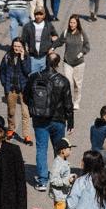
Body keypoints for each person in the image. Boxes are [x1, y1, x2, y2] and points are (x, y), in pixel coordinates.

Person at [26, 52, 74, 193]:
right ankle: (58, 177)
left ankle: (42, 180)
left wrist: (33, 109)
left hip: (40, 120)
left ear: (45, 62)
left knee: (41, 149)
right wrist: (70, 121)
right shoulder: (63, 81)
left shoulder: (34, 77)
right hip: (58, 120)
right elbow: (68, 104)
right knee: (59, 149)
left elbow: (25, 96)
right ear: (58, 63)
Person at [58, 15, 90, 111]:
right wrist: (52, 48)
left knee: (77, 84)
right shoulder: (66, 32)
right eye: (70, 22)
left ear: (77, 23)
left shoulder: (81, 33)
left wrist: (81, 53)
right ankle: (68, 101)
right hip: (68, 62)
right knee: (68, 82)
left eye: (74, 23)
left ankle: (76, 102)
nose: (71, 24)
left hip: (79, 63)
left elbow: (87, 46)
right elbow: (59, 41)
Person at [48, 139, 75, 209]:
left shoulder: (63, 161)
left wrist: (70, 177)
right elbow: (53, 180)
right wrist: (67, 181)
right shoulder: (57, 163)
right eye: (69, 149)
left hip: (63, 194)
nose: (71, 151)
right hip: (59, 195)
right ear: (63, 151)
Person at [19, 7, 58, 75]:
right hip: (32, 57)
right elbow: (23, 40)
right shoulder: (28, 26)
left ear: (44, 15)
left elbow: (56, 36)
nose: (38, 16)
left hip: (45, 57)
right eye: (36, 14)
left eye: (41, 14)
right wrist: (25, 51)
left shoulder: (48, 25)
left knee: (45, 77)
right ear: (34, 15)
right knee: (33, 77)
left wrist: (52, 47)